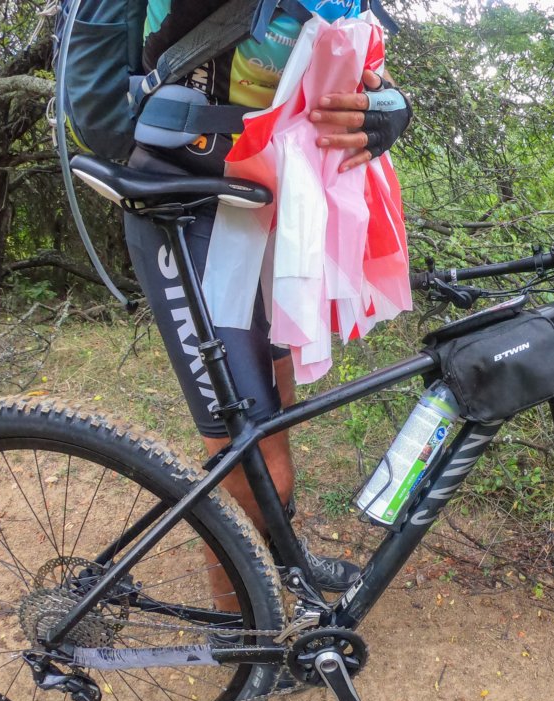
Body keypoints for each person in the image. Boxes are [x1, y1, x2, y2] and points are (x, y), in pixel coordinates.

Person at [123, 0, 412, 604]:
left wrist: (388, 106)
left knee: (276, 416)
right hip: (187, 203)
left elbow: (358, 74)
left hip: (268, 213)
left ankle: (284, 566)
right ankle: (242, 637)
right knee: (254, 468)